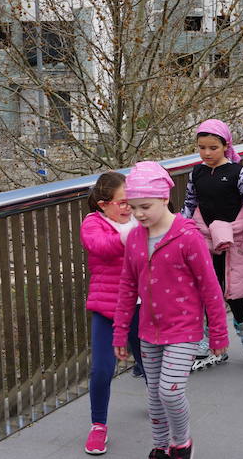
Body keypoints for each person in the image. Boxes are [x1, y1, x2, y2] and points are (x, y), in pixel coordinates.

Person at [112, 161, 229, 459]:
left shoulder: (187, 237)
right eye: (132, 207)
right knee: (154, 395)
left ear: (165, 198)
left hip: (184, 329)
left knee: (170, 391)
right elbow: (127, 286)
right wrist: (120, 333)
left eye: (145, 207)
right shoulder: (135, 238)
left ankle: (181, 443)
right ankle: (160, 447)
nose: (138, 214)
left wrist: (217, 333)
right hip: (148, 330)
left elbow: (210, 288)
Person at [182, 119, 243, 371]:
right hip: (204, 240)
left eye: (213, 148)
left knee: (234, 291)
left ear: (225, 146)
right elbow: (189, 204)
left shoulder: (236, 172)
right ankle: (208, 337)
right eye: (202, 148)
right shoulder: (196, 173)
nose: (207, 153)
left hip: (234, 240)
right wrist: (176, 232)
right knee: (208, 289)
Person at [81, 172, 145, 455]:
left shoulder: (140, 218)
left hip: (142, 305)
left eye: (130, 201)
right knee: (102, 369)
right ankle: (98, 426)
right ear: (103, 204)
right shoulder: (93, 224)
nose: (127, 207)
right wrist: (131, 234)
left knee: (151, 364)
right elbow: (101, 248)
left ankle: (158, 405)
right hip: (108, 309)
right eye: (121, 202)